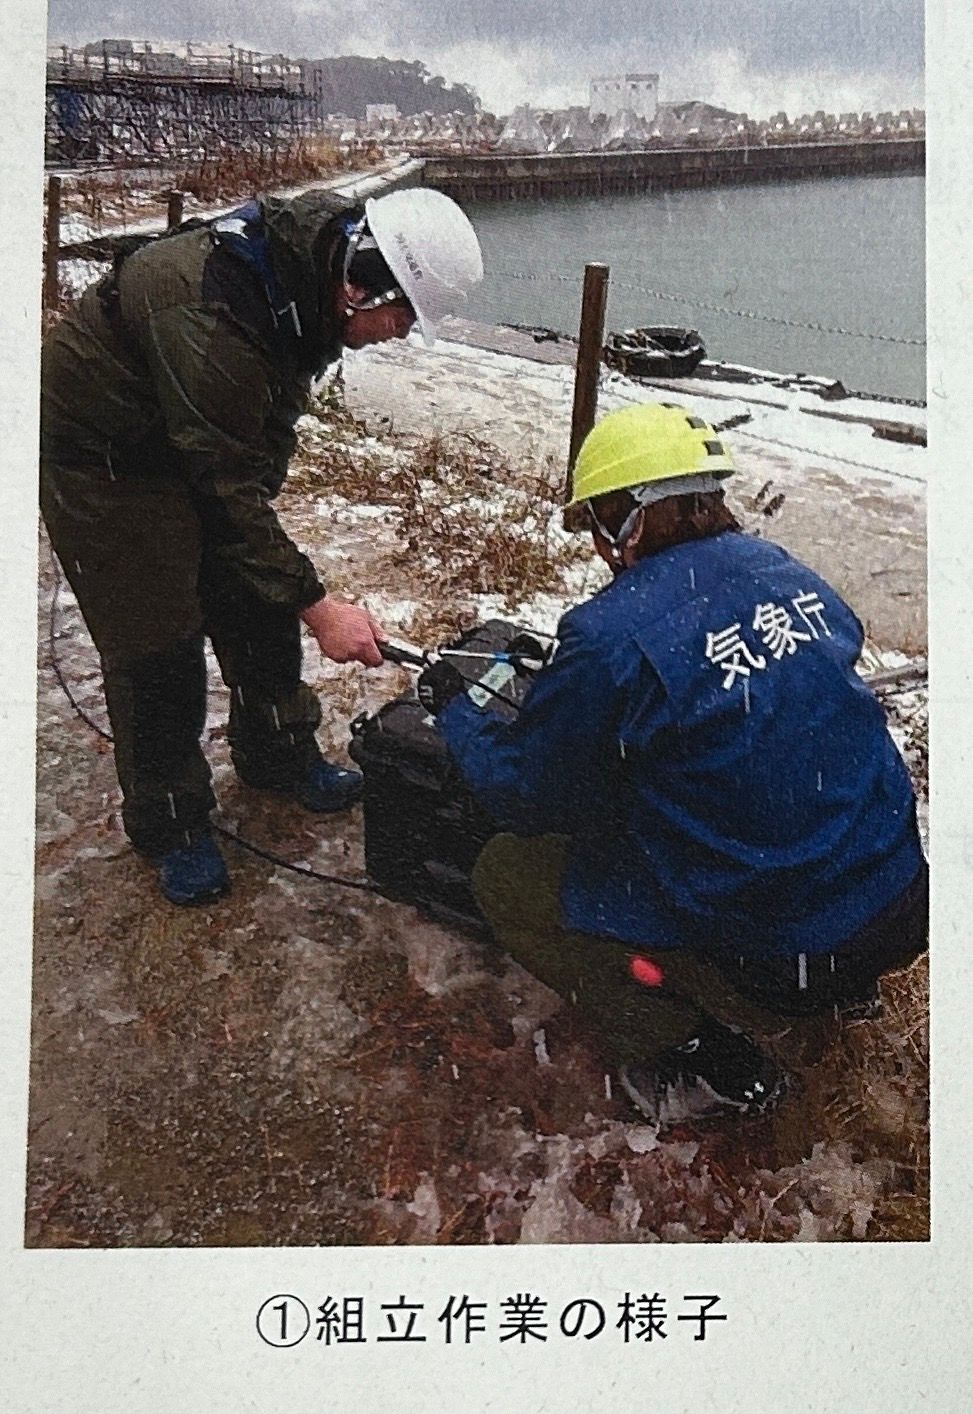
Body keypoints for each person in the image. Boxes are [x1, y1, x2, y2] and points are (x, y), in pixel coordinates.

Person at [417, 402, 927, 1123]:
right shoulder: (780, 570)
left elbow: (525, 797)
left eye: (596, 520)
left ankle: (701, 1058)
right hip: (901, 904)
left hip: (783, 958)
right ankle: (846, 981)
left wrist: (458, 712)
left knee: (508, 876)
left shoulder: (608, 635)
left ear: (622, 519)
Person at [41, 185, 483, 905]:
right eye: (400, 317)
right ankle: (172, 819)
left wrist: (270, 567)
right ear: (358, 286)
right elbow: (220, 484)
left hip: (189, 436)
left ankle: (277, 752)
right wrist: (317, 604)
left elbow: (256, 437)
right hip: (104, 458)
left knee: (253, 593)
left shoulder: (302, 281)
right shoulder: (210, 310)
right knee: (156, 642)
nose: (399, 333)